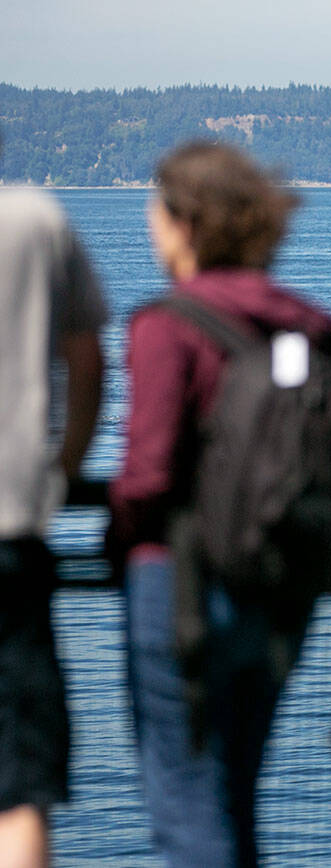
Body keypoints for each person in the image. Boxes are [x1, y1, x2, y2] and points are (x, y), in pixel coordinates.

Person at [108, 141, 331, 867]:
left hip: (181, 588)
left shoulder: (167, 325)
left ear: (185, 223)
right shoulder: (303, 325)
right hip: (281, 592)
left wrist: (113, 543)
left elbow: (145, 476)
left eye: (155, 208)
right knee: (236, 801)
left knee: (185, 810)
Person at [0, 184, 106, 867]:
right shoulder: (35, 219)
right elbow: (89, 361)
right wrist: (61, 469)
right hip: (10, 534)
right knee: (19, 791)